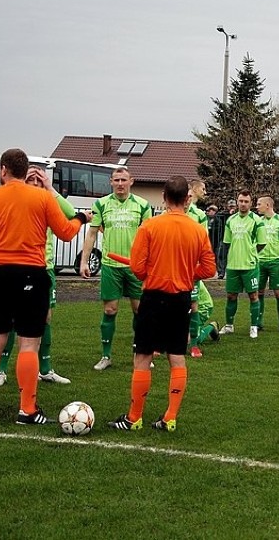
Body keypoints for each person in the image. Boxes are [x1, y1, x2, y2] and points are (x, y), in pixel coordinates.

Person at [0, 148, 90, 424]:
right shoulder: (41, 197)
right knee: (29, 343)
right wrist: (81, 219)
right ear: (25, 169)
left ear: (3, 170)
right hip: (32, 275)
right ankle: (27, 409)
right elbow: (65, 233)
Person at [109, 176, 216, 431]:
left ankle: (134, 418)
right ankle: (170, 417)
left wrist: (151, 274)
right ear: (187, 199)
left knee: (143, 356)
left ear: (164, 198)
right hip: (181, 299)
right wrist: (188, 273)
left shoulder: (150, 226)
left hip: (154, 298)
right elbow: (210, 268)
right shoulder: (198, 230)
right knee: (177, 357)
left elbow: (136, 267)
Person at [0, 166, 77, 386]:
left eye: (39, 179)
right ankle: (1, 370)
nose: (35, 182)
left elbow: (70, 213)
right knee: (11, 319)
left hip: (44, 268)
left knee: (45, 318)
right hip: (17, 266)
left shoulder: (46, 200)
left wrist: (49, 187)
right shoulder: (15, 199)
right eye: (31, 178)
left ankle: (45, 369)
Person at [80, 166, 152, 371]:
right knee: (110, 310)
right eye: (116, 180)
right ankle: (106, 356)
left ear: (131, 181)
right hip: (111, 266)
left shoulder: (143, 205)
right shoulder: (101, 204)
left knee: (140, 310)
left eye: (123, 180)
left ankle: (141, 352)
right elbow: (92, 234)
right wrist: (84, 262)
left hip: (135, 267)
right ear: (111, 182)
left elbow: (149, 237)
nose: (120, 184)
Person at [219, 190, 265, 338]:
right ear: (237, 202)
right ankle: (229, 325)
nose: (243, 204)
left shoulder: (257, 220)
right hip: (233, 265)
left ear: (251, 204)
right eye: (241, 201)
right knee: (231, 296)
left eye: (246, 201)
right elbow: (227, 242)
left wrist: (250, 252)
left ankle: (253, 327)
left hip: (250, 265)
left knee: (253, 296)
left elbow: (262, 243)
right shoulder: (230, 220)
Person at [186, 180, 217, 358]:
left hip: (191, 269)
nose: (188, 199)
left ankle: (196, 341)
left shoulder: (198, 215)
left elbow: (203, 242)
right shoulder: (168, 215)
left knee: (197, 305)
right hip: (174, 268)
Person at [255, 195, 279, 333]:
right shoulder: (258, 221)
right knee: (258, 293)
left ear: (267, 205)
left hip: (276, 262)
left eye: (259, 204)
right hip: (260, 262)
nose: (256, 206)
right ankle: (258, 323)